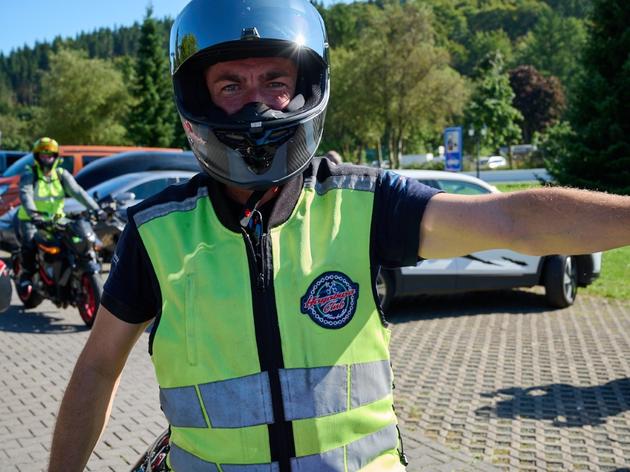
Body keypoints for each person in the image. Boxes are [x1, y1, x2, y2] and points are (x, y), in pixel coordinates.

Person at [49, 1, 630, 471]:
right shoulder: (157, 232)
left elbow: (512, 220)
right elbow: (99, 366)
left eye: (275, 81)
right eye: (231, 85)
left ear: (305, 88)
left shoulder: (364, 204)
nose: (256, 103)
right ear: (198, 99)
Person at [17, 137, 103, 290]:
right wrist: (35, 215)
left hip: (57, 218)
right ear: (37, 157)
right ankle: (26, 275)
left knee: (73, 238)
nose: (47, 158)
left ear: (56, 156)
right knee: (30, 242)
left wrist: (96, 208)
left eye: (50, 155)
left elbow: (78, 192)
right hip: (31, 219)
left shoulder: (61, 174)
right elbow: (26, 195)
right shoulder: (30, 174)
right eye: (43, 155)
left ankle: (69, 271)